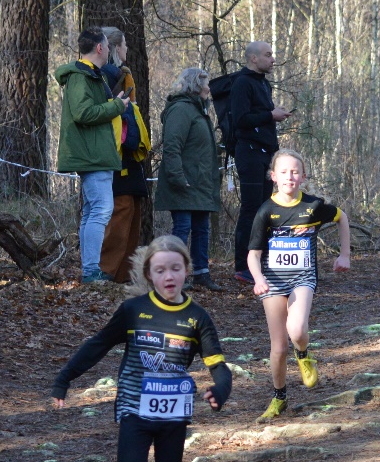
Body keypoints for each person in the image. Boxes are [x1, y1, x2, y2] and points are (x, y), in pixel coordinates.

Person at [50, 235, 232, 462]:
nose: (169, 276)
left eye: (176, 269)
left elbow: (218, 365)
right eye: (161, 270)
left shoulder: (196, 318)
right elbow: (98, 345)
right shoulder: (134, 311)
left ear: (186, 271)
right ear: (149, 274)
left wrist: (221, 389)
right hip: (135, 410)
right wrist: (64, 380)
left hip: (174, 418)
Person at [247, 149, 350, 422]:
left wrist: (345, 254)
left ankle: (304, 355)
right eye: (283, 172)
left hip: (303, 278)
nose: (289, 177)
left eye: (295, 172)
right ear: (273, 177)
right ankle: (279, 397)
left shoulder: (313, 206)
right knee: (278, 348)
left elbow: (342, 218)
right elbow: (253, 254)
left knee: (297, 329)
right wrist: (258, 279)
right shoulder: (266, 211)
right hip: (272, 282)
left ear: (303, 177)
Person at [55, 28, 131, 284]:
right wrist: (116, 107)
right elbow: (83, 113)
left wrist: (114, 104)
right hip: (91, 155)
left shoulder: (91, 76)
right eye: (108, 46)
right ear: (99, 48)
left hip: (96, 153)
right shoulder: (80, 77)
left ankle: (90, 269)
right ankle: (91, 271)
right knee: (101, 210)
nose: (110, 50)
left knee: (92, 212)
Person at [155, 67, 223, 291]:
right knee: (182, 228)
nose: (208, 88)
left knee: (202, 228)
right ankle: (174, 275)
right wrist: (177, 177)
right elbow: (172, 147)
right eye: (206, 83)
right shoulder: (181, 110)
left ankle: (202, 274)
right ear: (196, 85)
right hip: (184, 182)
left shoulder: (198, 110)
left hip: (200, 183)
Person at [230, 42, 290, 284]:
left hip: (266, 154)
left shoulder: (263, 83)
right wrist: (270, 115)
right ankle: (242, 266)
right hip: (250, 153)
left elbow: (259, 116)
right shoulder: (242, 83)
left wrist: (274, 113)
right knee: (251, 209)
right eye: (268, 55)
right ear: (253, 59)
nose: (273, 59)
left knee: (265, 209)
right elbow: (241, 120)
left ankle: (261, 263)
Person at [97, 27, 152, 284]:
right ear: (115, 48)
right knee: (120, 216)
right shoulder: (106, 78)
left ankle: (123, 276)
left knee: (131, 215)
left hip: (128, 159)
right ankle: (106, 273)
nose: (128, 49)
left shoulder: (122, 77)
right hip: (116, 158)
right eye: (125, 45)